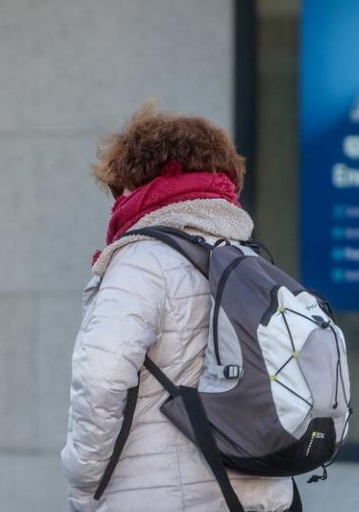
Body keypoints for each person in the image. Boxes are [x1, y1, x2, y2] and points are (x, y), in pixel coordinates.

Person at [61, 102, 294, 511]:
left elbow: (101, 378)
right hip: (257, 494)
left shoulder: (141, 261)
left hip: (162, 495)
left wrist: (84, 485)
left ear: (137, 181)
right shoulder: (248, 260)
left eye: (119, 188)